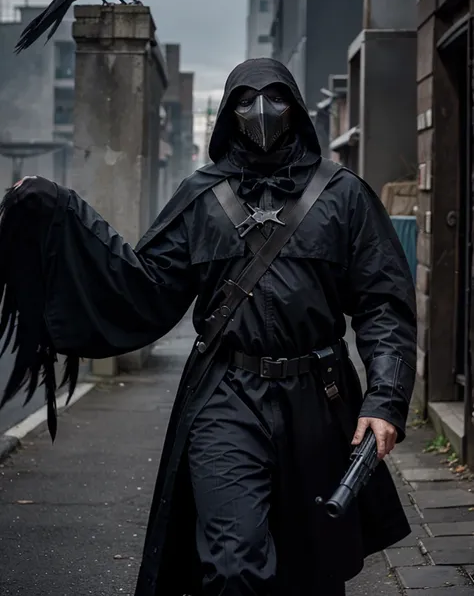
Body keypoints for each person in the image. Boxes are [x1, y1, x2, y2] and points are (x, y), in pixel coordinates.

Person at [0, 58, 416, 596]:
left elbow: (384, 303)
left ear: (295, 107)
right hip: (226, 395)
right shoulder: (202, 196)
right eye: (245, 99)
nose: (260, 110)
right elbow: (143, 284)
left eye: (274, 97)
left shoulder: (343, 196)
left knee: (312, 567)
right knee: (232, 563)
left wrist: (384, 399)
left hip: (318, 396)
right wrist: (60, 211)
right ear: (227, 112)